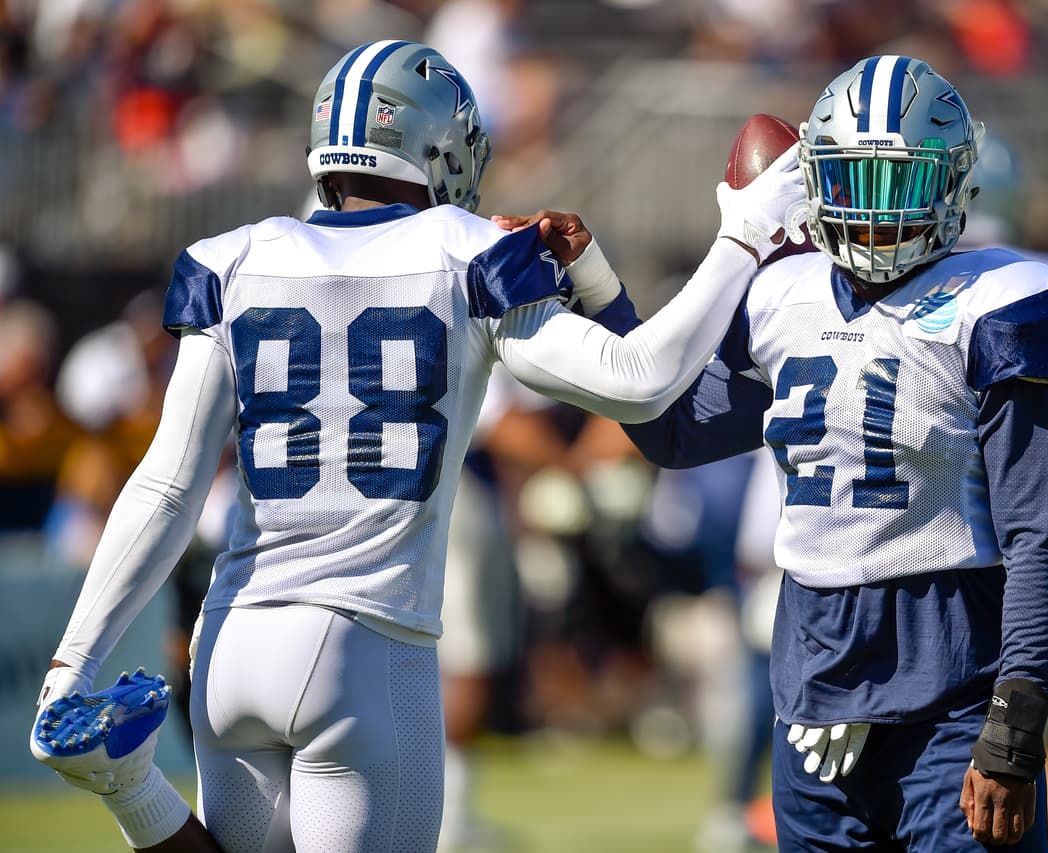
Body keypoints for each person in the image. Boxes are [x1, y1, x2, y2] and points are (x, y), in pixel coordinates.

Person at [29, 39, 806, 853]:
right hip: (366, 640)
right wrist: (742, 237)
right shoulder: (466, 252)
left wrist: (71, 663)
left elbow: (168, 486)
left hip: (233, 640)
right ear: (436, 148)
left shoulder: (234, 259)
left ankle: (131, 787)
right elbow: (642, 379)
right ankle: (129, 784)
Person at [562, 55, 1048, 850]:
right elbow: (671, 430)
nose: (878, 213)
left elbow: (1039, 537)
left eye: (902, 184)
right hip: (813, 684)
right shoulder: (785, 294)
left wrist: (1015, 723)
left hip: (953, 692)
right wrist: (599, 288)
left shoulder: (1001, 303)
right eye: (856, 181)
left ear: (953, 183)